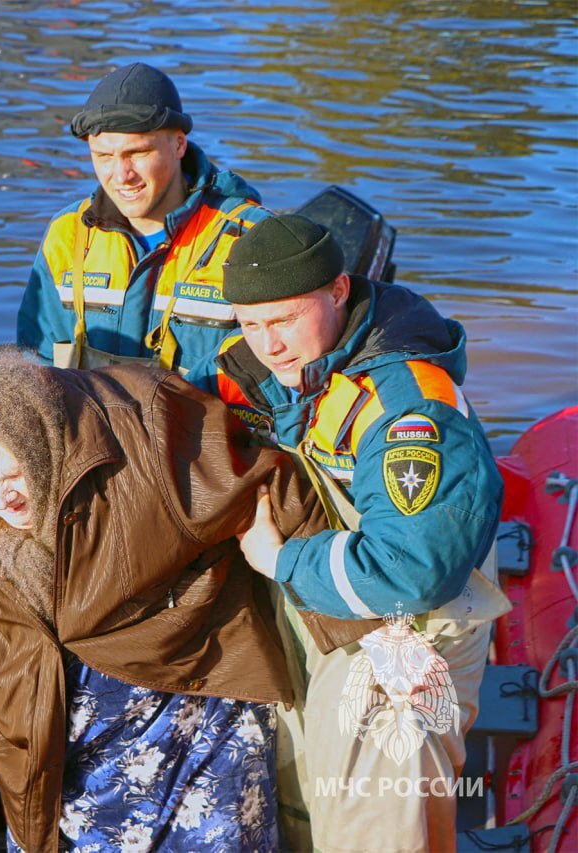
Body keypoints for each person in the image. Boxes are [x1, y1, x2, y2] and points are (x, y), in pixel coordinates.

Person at [0, 350, 328, 852]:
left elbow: (275, 486)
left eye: (11, 475)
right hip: (43, 713)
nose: (1, 498)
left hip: (179, 685)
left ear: (42, 448)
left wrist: (353, 630)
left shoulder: (145, 431)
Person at [188, 214, 510, 852]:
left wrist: (280, 562)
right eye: (250, 325)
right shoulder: (277, 368)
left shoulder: (409, 411)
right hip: (328, 616)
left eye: (284, 320)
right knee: (309, 807)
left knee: (378, 832)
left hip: (410, 642)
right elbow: (165, 396)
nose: (269, 346)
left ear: (338, 290)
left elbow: (411, 572)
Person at [16, 62, 271, 373]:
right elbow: (35, 362)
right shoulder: (66, 233)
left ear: (179, 144)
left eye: (137, 153)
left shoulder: (249, 238)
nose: (122, 176)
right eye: (104, 157)